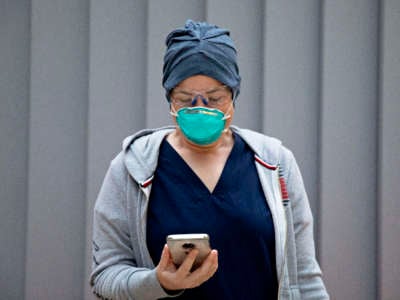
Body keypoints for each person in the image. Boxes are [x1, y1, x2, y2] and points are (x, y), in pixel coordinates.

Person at [90, 19, 329, 300]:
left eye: (214, 99)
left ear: (233, 96)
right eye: (185, 99)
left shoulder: (274, 163)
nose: (200, 110)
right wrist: (159, 282)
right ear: (169, 99)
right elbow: (105, 278)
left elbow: (304, 278)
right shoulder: (131, 168)